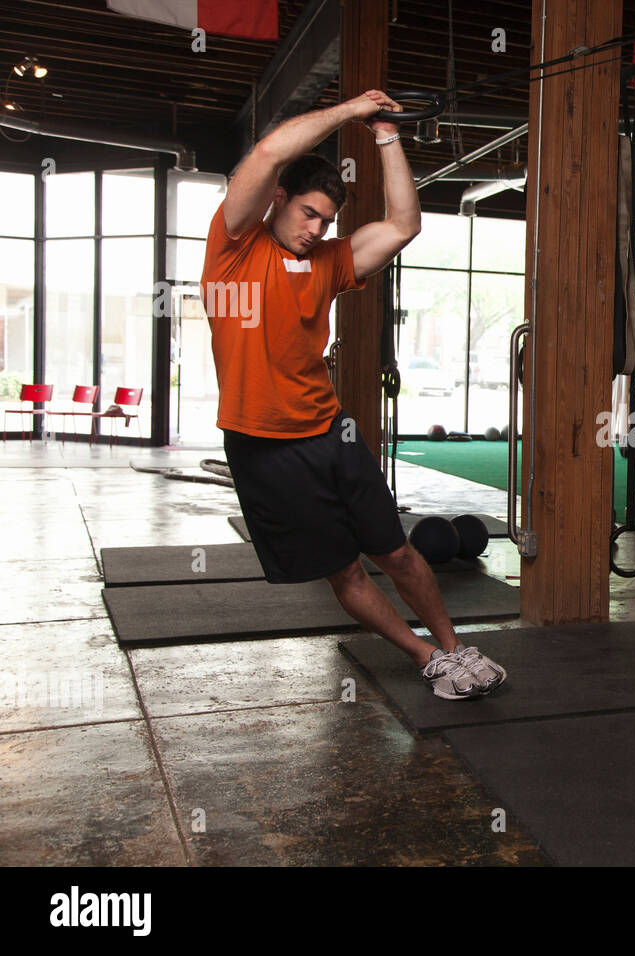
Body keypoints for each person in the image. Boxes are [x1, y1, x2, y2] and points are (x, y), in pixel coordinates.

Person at [201, 89, 505, 700]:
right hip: (264, 444)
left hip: (332, 431)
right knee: (342, 567)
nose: (316, 230)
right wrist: (352, 110)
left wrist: (387, 133)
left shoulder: (333, 261)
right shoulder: (234, 247)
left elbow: (403, 224)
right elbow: (267, 151)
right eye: (308, 214)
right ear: (279, 200)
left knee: (395, 549)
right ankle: (427, 658)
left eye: (327, 222)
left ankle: (455, 645)